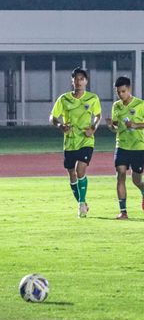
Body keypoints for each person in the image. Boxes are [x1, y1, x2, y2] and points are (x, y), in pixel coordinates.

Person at [49, 67, 102, 218]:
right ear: (72, 81)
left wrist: (93, 127)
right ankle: (82, 202)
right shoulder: (64, 99)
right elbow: (52, 117)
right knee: (72, 174)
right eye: (76, 79)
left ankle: (81, 205)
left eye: (81, 79)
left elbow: (98, 116)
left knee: (80, 171)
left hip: (86, 140)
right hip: (70, 142)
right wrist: (60, 125)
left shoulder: (92, 98)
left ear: (86, 81)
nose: (78, 82)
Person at [105, 76, 144, 219]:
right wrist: (110, 126)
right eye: (118, 92)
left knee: (136, 179)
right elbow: (116, 127)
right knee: (120, 175)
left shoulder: (141, 104)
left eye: (123, 91)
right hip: (121, 146)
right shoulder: (116, 106)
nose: (121, 95)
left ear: (129, 89)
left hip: (138, 147)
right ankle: (123, 211)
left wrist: (136, 125)